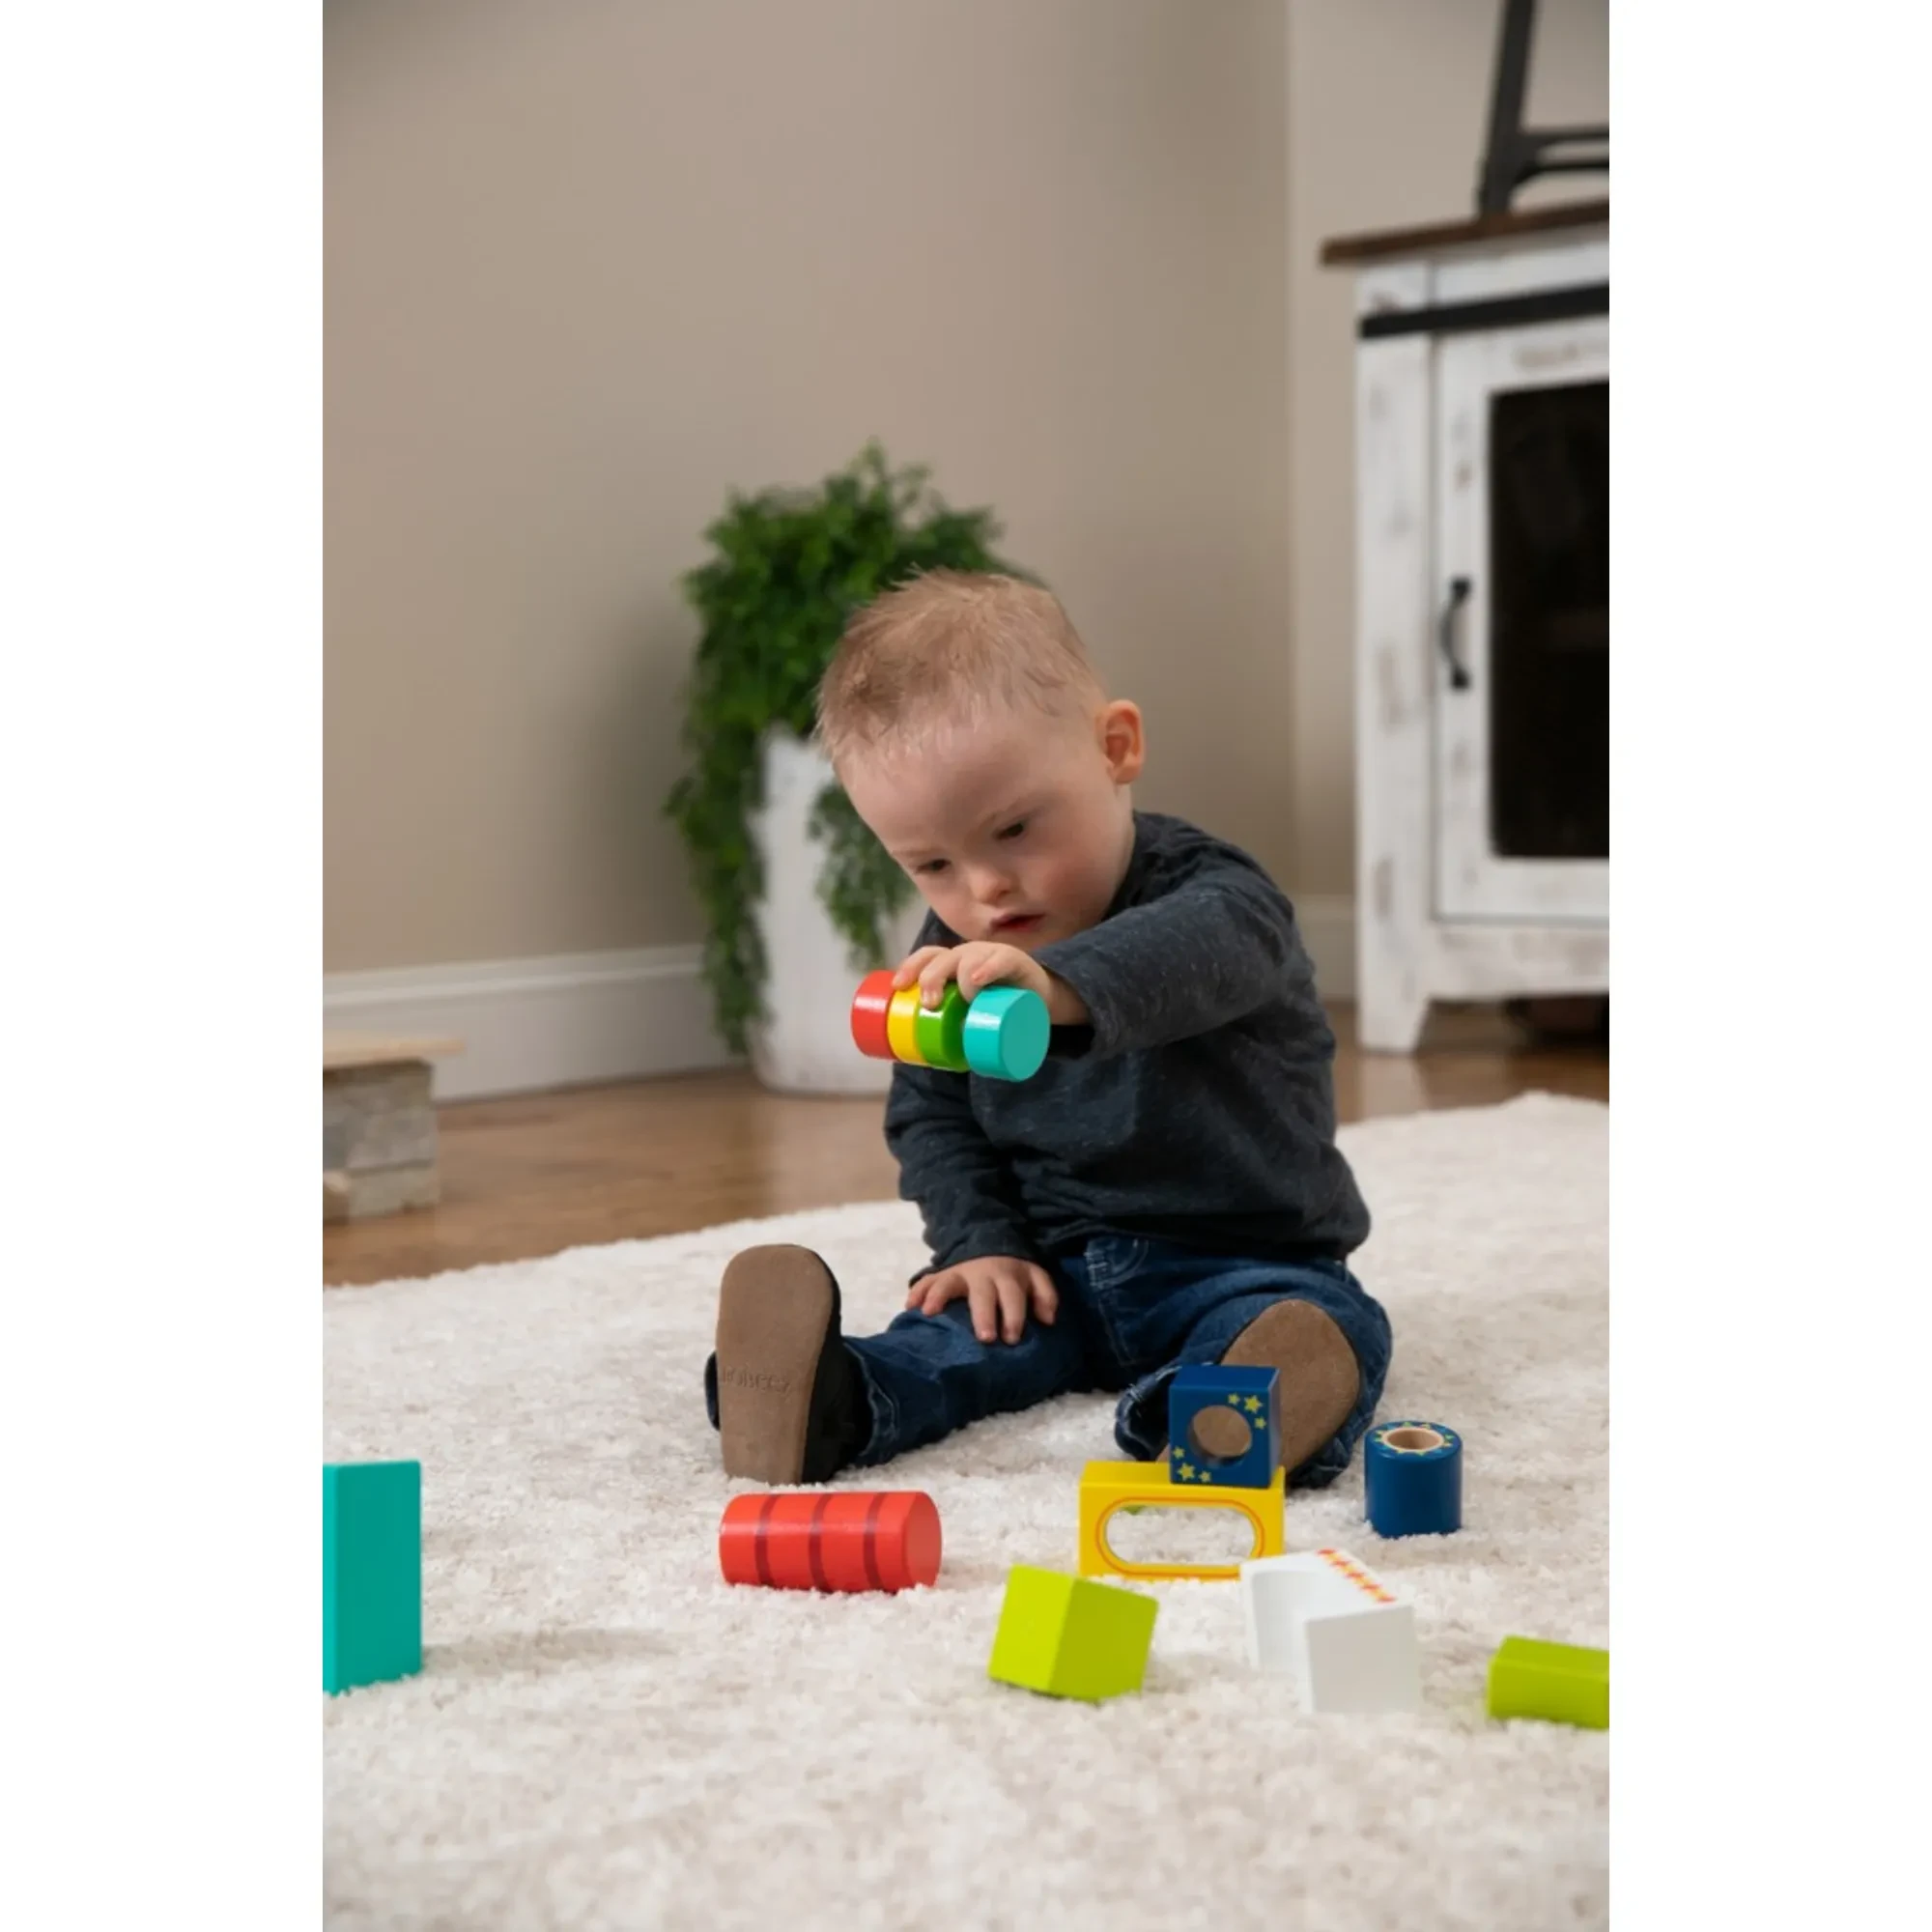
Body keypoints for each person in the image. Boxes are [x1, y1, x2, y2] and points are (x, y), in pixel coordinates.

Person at [702, 570, 1389, 1490]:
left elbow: (1186, 959)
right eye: (934, 864)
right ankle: (835, 1397)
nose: (983, 890)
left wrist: (1055, 984)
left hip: (1243, 1258)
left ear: (1115, 748)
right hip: (1047, 1271)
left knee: (1323, 1325)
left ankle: (1219, 1409)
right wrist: (978, 1243)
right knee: (953, 1342)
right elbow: (933, 1114)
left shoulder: (1222, 900)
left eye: (1016, 829)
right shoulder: (956, 950)